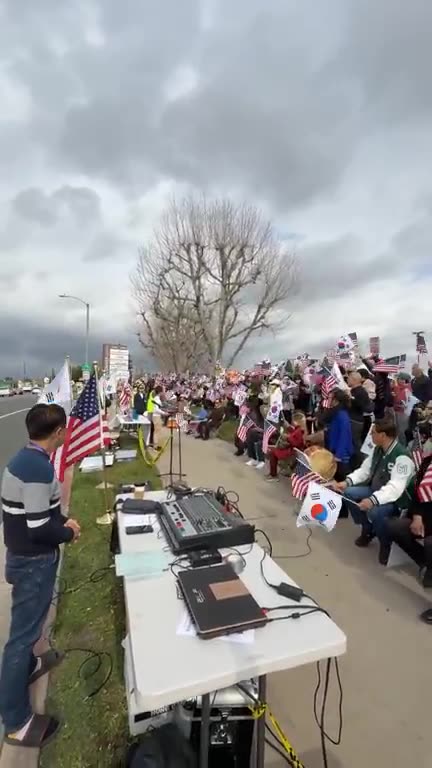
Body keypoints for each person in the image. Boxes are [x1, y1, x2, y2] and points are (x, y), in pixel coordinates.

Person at [0, 404, 81, 748]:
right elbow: (37, 528)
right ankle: (16, 721)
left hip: (25, 557)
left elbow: (36, 514)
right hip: (33, 561)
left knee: (27, 632)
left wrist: (61, 522)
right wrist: (68, 532)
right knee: (21, 637)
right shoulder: (36, 469)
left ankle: (31, 665)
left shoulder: (25, 459)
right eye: (66, 430)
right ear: (59, 432)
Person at [331, 417, 415, 555]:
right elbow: (364, 471)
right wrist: (346, 482)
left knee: (375, 512)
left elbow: (396, 488)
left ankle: (385, 543)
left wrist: (372, 500)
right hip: (375, 489)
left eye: (373, 432)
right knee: (348, 492)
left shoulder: (402, 458)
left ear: (383, 435)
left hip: (395, 500)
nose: (370, 435)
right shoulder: (378, 449)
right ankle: (367, 528)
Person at [380, 454, 432, 587]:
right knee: (392, 526)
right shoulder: (428, 462)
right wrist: (417, 516)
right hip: (424, 517)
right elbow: (417, 493)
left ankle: (430, 572)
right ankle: (423, 561)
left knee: (429, 543)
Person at [322, 389, 354, 480]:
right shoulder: (335, 413)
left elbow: (344, 436)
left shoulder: (342, 415)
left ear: (336, 400)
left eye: (330, 398)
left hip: (341, 454)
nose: (328, 400)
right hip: (334, 449)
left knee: (342, 477)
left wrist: (339, 455)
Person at [265, 412, 306, 482]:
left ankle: (273, 475)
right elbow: (293, 433)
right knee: (272, 452)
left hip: (293, 452)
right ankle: (273, 474)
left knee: (272, 453)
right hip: (291, 450)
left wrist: (288, 438)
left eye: (294, 420)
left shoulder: (300, 431)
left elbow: (297, 443)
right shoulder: (298, 429)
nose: (292, 422)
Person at [347, 371, 371, 459]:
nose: (347, 380)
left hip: (355, 421)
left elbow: (362, 406)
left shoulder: (360, 392)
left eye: (349, 379)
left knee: (356, 443)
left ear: (354, 380)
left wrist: (350, 399)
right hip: (355, 420)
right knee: (353, 442)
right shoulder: (355, 391)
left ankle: (363, 461)